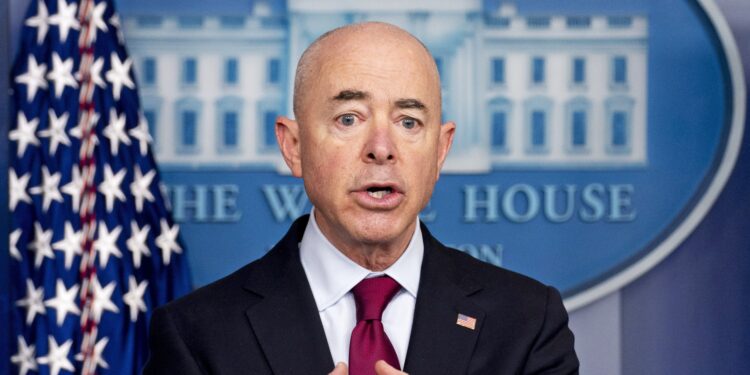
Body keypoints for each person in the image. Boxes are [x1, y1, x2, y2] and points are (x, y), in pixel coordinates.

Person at [143, 22, 579, 375]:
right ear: (293, 146)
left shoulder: (526, 322)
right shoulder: (198, 335)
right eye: (349, 118)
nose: (382, 148)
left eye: (409, 122)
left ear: (441, 150)